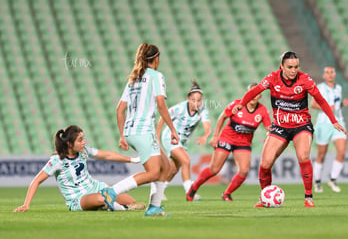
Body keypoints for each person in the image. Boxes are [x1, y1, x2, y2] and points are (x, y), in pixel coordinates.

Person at [231, 51, 346, 208]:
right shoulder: (272, 78)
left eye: (296, 67)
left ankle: (308, 197)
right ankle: (265, 198)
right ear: (282, 66)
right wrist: (241, 103)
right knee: (265, 163)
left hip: (301, 125)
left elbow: (320, 100)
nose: (294, 70)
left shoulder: (305, 80)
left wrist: (333, 121)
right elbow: (255, 91)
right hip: (280, 127)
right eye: (290, 67)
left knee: (303, 155)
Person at [100, 43, 179, 216]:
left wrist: (122, 136)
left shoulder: (133, 78)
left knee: (165, 167)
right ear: (156, 59)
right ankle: (111, 192)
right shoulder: (156, 76)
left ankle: (154, 207)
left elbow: (119, 109)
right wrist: (173, 130)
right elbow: (161, 104)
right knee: (153, 173)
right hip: (144, 130)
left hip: (130, 130)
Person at [14, 125, 145, 212]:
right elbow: (36, 180)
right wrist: (26, 204)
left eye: (83, 139)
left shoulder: (84, 151)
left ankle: (110, 205)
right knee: (101, 198)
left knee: (130, 200)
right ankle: (121, 208)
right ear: (69, 144)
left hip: (96, 187)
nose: (84, 142)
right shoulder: (57, 160)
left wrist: (132, 160)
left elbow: (107, 155)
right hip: (78, 198)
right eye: (80, 140)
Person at [187, 83, 271, 202]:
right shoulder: (237, 104)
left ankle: (227, 193)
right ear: (246, 94)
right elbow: (222, 117)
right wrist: (215, 137)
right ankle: (194, 188)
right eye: (250, 93)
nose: (253, 96)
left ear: (260, 96)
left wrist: (268, 138)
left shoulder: (262, 111)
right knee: (214, 169)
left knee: (244, 171)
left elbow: (269, 129)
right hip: (227, 138)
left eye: (256, 93)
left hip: (243, 143)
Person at [154, 80, 211, 200]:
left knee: (174, 169)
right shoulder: (180, 108)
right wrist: (157, 137)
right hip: (170, 137)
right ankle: (190, 192)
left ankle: (158, 191)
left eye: (199, 100)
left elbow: (207, 126)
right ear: (188, 99)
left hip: (183, 141)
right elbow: (163, 117)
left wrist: (205, 135)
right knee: (186, 160)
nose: (197, 103)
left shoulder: (203, 111)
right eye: (194, 100)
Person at [311, 66, 348, 193]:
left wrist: (342, 105)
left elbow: (336, 106)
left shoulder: (338, 88)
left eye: (332, 72)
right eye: (327, 72)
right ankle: (317, 182)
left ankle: (333, 180)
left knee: (342, 151)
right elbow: (313, 104)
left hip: (339, 122)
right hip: (324, 123)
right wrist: (327, 107)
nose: (329, 74)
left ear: (334, 74)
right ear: (323, 75)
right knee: (321, 154)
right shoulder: (320, 87)